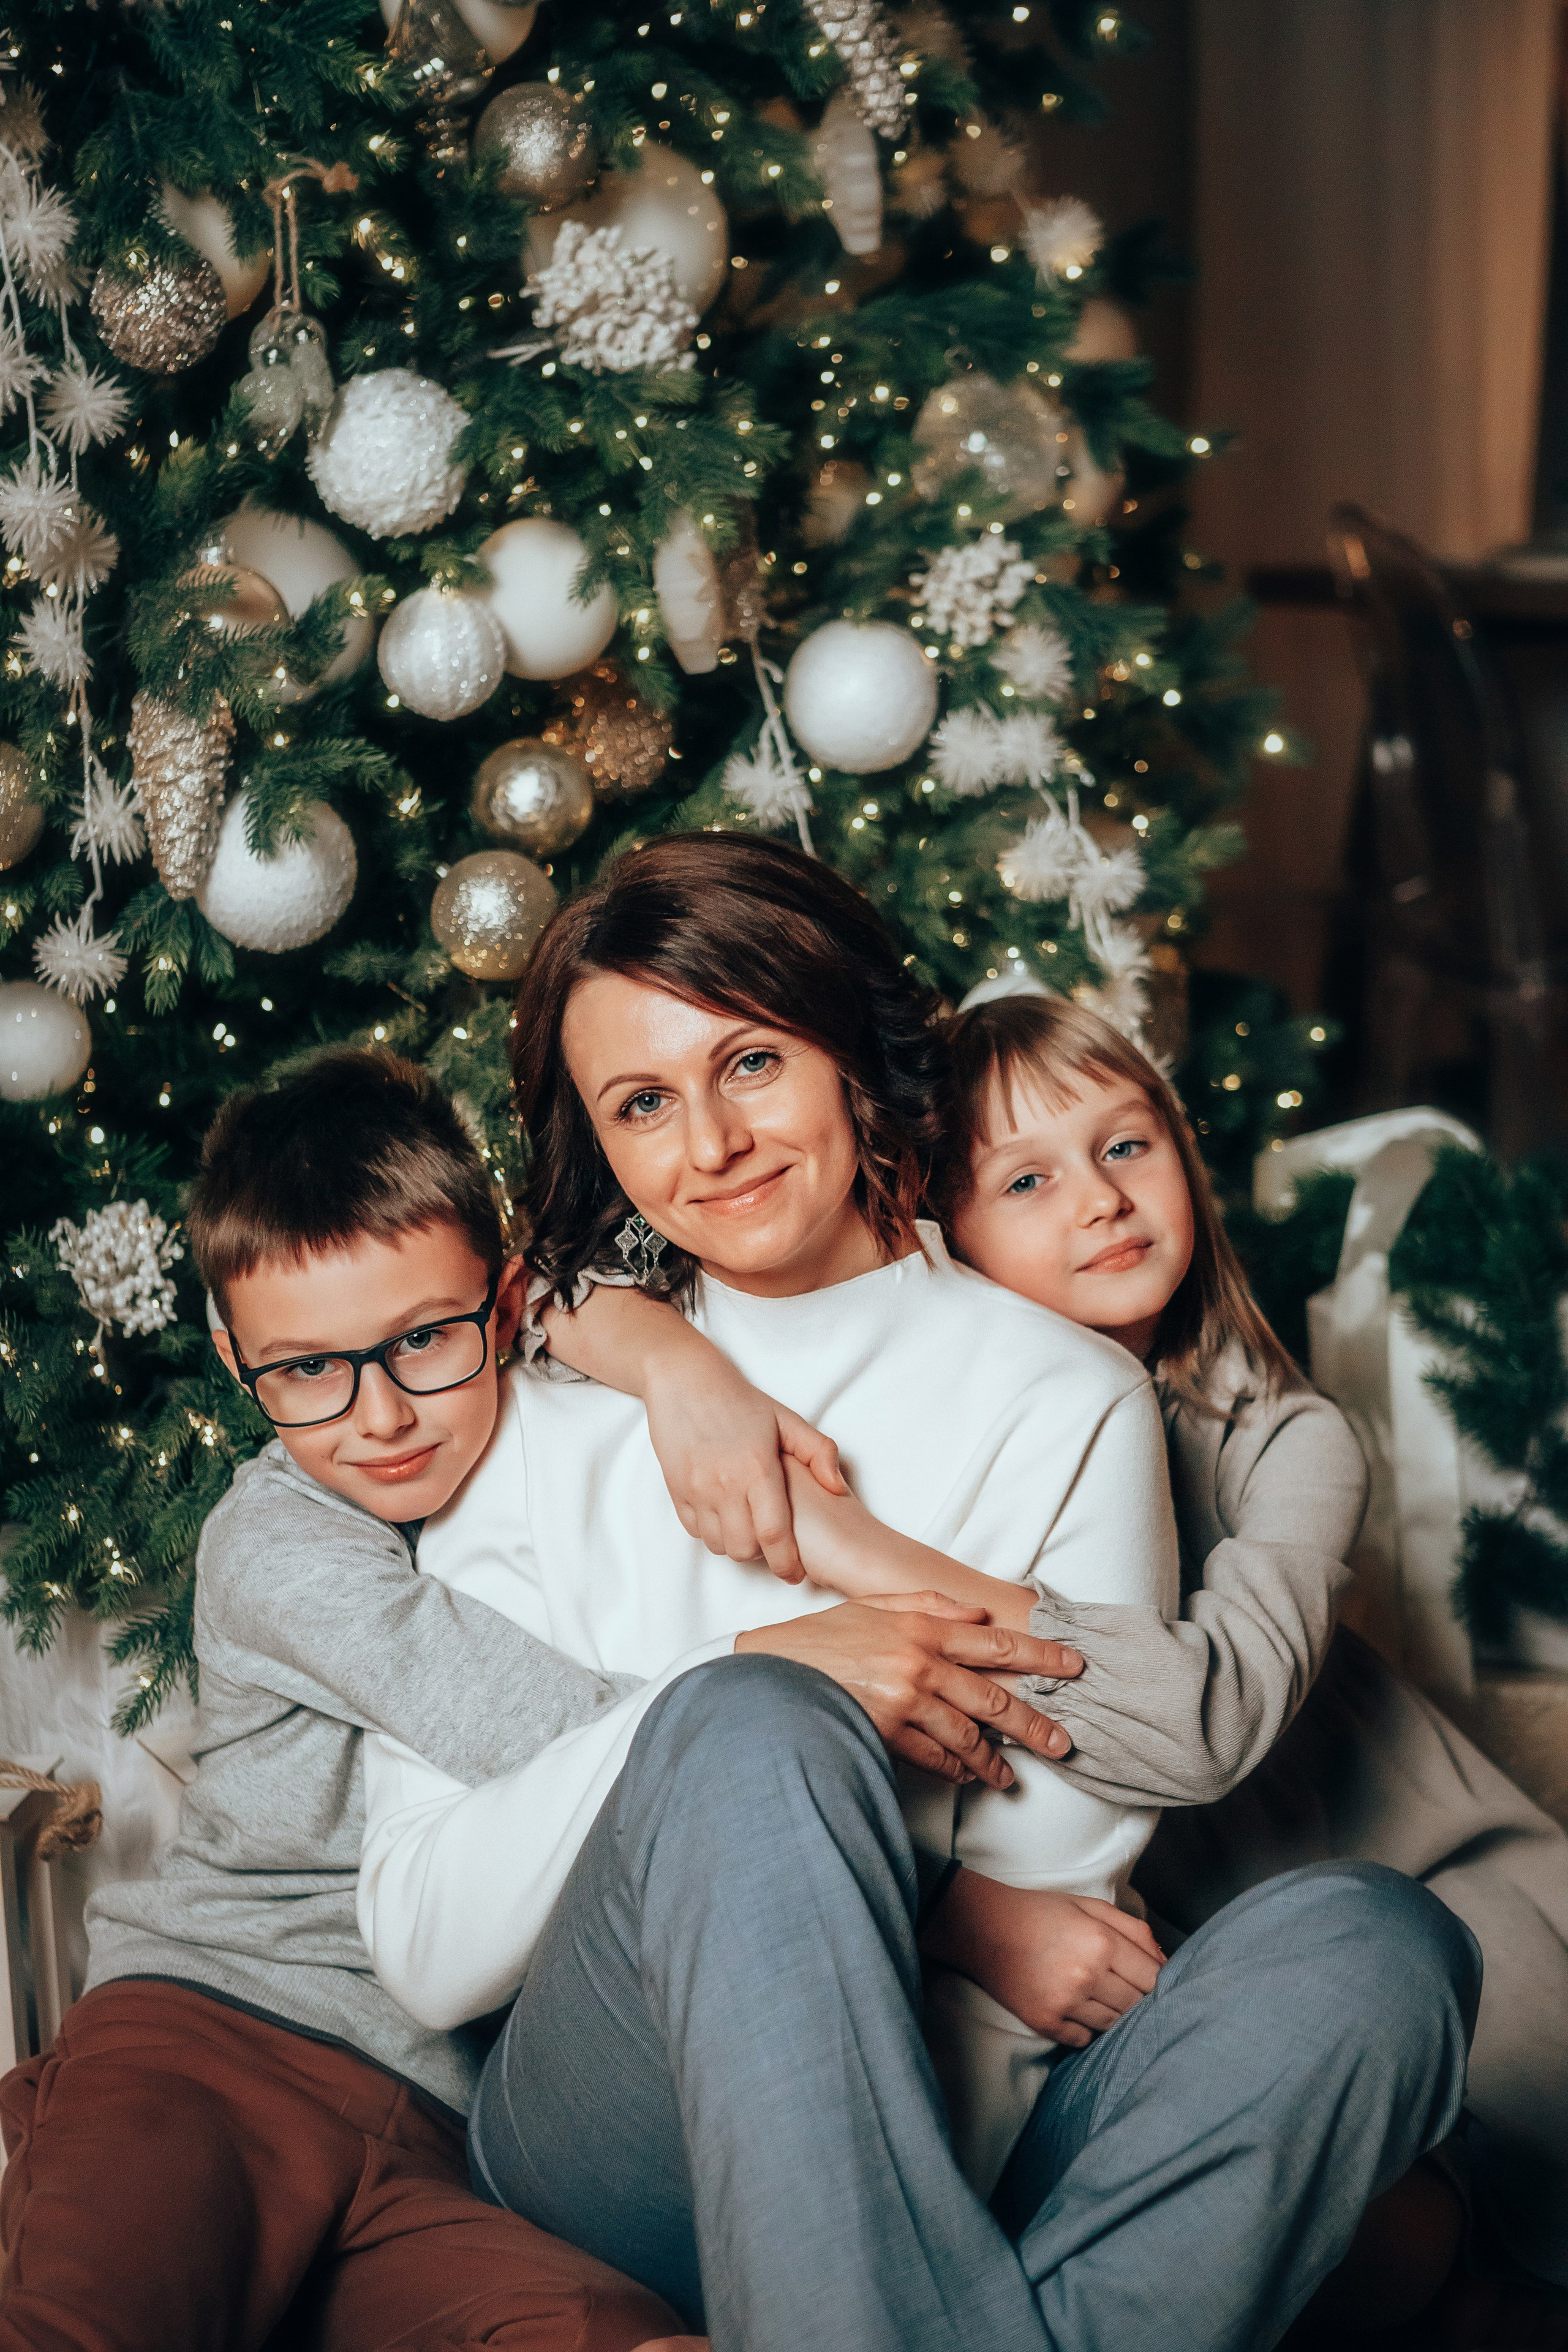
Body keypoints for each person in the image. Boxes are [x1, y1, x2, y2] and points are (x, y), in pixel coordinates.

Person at [356, 833, 1479, 2352]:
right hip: (617, 2132)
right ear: (599, 1144)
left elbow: (1057, 1887)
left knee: (1375, 1950)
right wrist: (755, 1676)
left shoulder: (1066, 1400)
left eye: (750, 1062)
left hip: (976, 2122)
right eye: (642, 1104)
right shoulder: (545, 1409)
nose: (710, 1144)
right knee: (751, 1723)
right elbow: (427, 1942)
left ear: (845, 1044)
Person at [0, 1049, 694, 2352]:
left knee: (617, 2331)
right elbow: (570, 1737)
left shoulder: (557, 1455)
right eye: (309, 1370)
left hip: (442, 2122)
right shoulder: (276, 1544)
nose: (380, 1417)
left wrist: (675, 1367)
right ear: (233, 1359)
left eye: (422, 1340)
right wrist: (797, 1681)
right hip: (210, 2036)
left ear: (502, 1307)